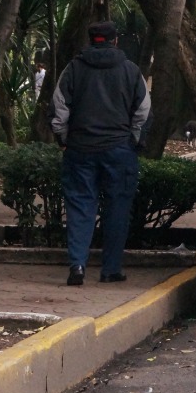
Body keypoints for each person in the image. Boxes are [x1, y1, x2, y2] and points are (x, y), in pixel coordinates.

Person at [50, 21, 150, 286]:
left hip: (80, 150)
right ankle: (111, 269)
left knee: (80, 205)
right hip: (119, 150)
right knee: (118, 208)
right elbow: (142, 110)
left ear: (90, 39)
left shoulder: (73, 69)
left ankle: (78, 265)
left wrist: (63, 140)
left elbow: (60, 109)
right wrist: (134, 140)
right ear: (115, 40)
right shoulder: (131, 71)